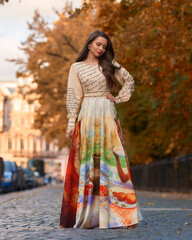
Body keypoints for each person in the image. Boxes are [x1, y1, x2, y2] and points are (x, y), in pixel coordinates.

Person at [59, 30, 143, 229]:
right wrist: (71, 122)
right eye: (98, 44)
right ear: (89, 44)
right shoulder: (76, 67)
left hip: (106, 114)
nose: (101, 49)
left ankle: (120, 215)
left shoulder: (110, 65)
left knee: (112, 161)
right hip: (87, 115)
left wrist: (119, 98)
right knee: (90, 162)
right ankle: (91, 214)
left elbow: (129, 81)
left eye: (104, 46)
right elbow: (73, 95)